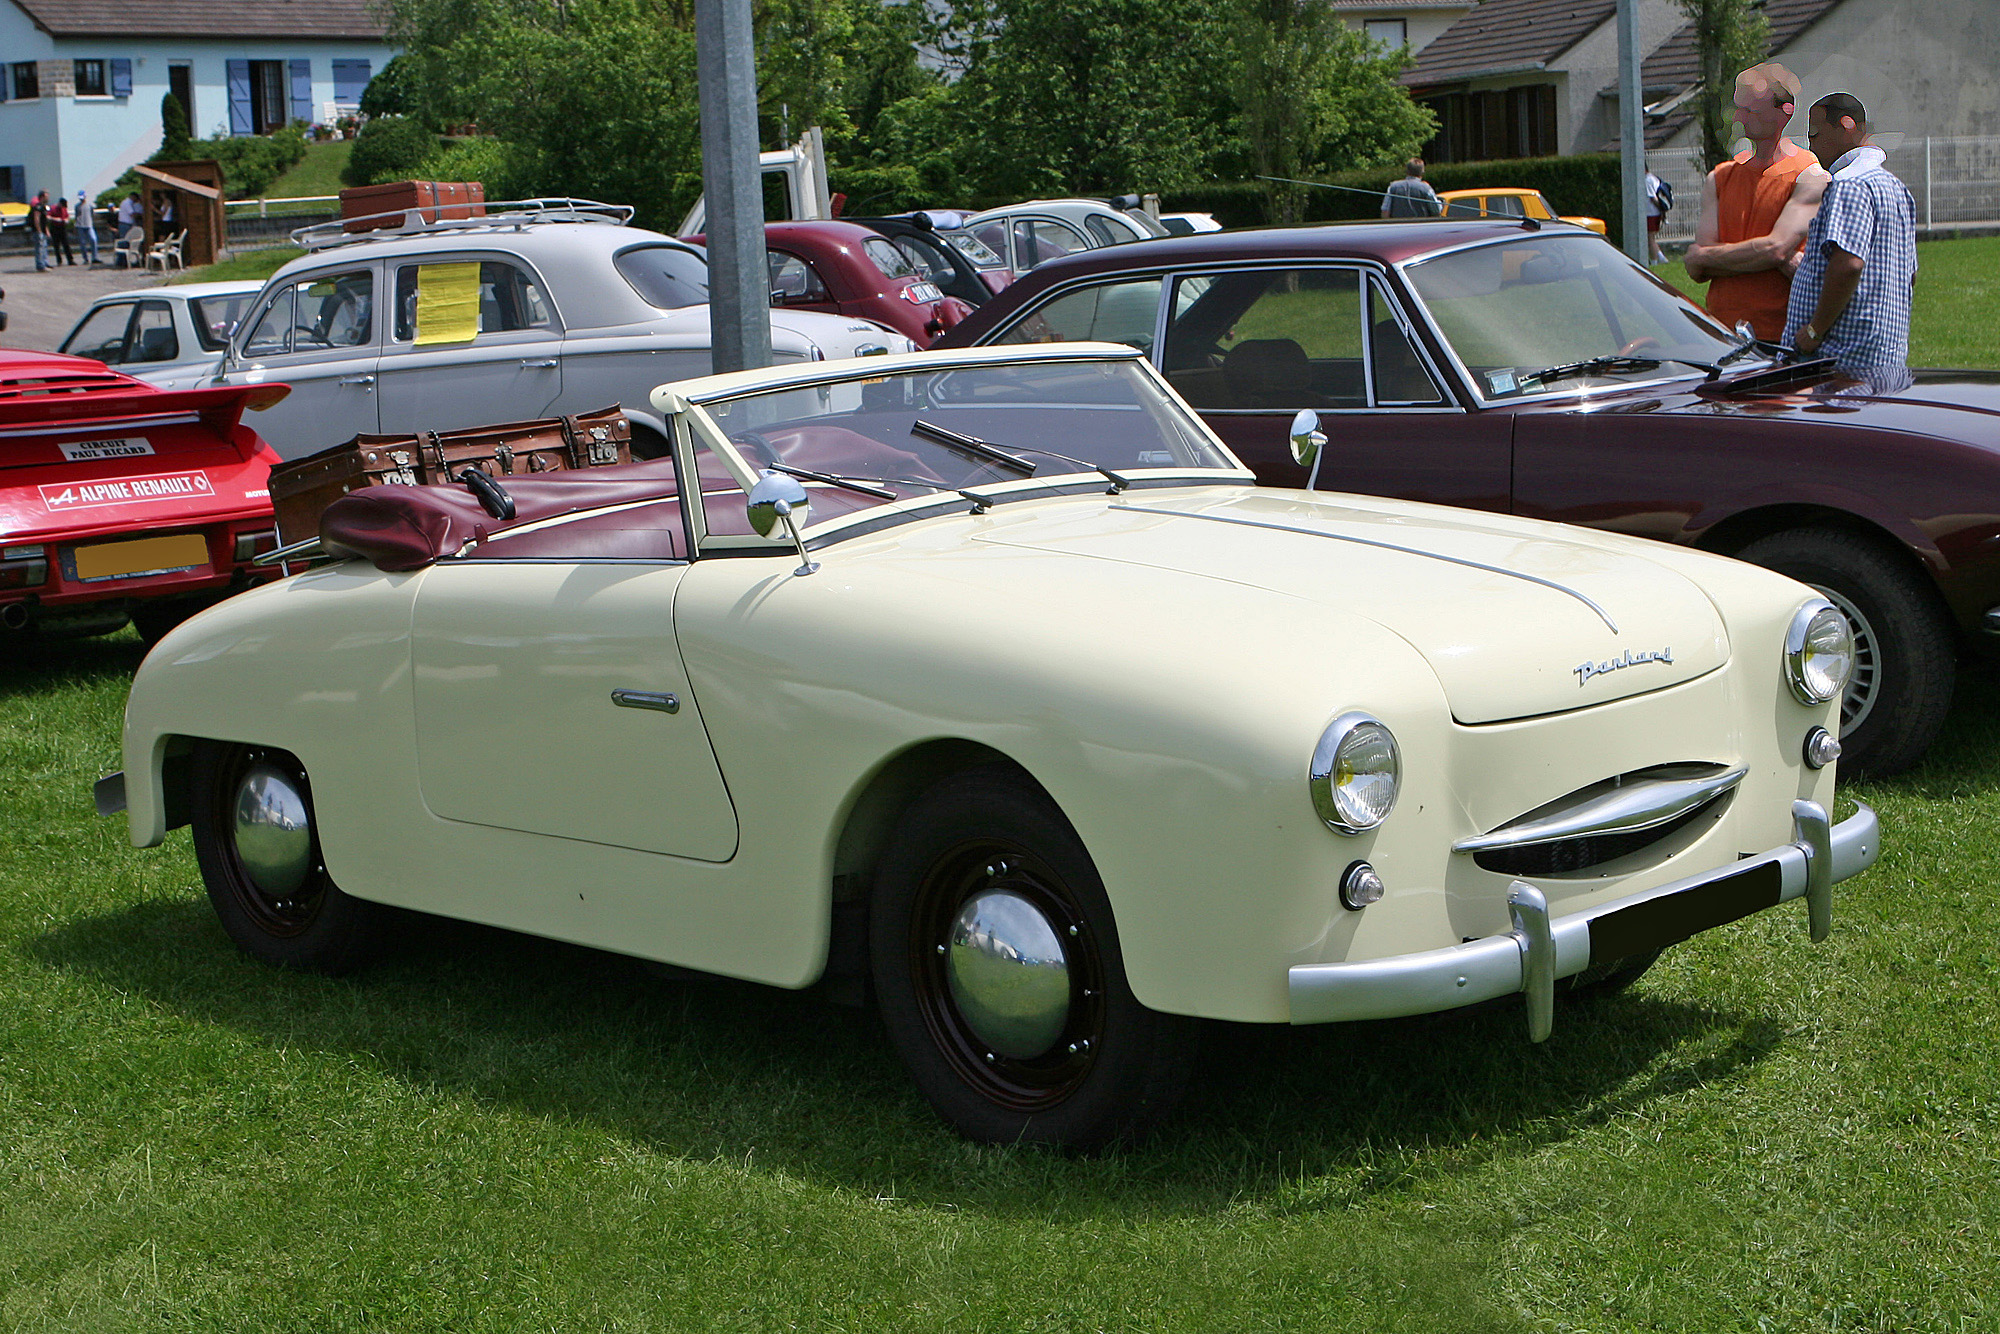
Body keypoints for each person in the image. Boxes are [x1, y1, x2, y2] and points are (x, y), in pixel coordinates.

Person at [1683, 63, 1828, 340]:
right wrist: (1770, 254)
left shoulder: (1809, 174)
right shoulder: (1721, 177)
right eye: (1738, 108)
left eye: (1750, 110)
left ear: (1784, 113)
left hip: (1781, 337)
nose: (1739, 118)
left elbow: (1774, 250)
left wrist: (1713, 256)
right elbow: (1696, 267)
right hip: (1721, 334)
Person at [1784, 92, 1918, 376]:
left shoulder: (1848, 184)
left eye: (1814, 134)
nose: (1810, 145)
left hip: (1841, 360)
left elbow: (1848, 264)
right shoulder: (1895, 187)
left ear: (1846, 126)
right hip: (1883, 356)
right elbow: (1910, 274)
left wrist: (1814, 331)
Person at [1642, 166, 1669, 264]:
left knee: (1650, 238)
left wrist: (1661, 207)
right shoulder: (1654, 178)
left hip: (1651, 213)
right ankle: (1661, 257)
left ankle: (1654, 261)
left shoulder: (1647, 180)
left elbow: (1653, 197)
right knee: (1651, 237)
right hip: (1655, 213)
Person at [115, 192, 142, 268]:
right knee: (124, 242)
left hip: (126, 224)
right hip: (125, 224)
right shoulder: (127, 203)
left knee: (125, 242)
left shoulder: (126, 202)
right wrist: (141, 214)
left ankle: (122, 261)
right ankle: (122, 261)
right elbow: (132, 214)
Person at [48, 193, 76, 265]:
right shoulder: (53, 208)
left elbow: (67, 216)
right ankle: (59, 261)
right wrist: (56, 219)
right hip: (55, 228)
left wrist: (67, 220)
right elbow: (48, 217)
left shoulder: (64, 209)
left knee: (66, 244)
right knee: (56, 245)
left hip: (62, 227)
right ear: (60, 203)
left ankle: (70, 260)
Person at [28, 190, 50, 271]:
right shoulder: (38, 207)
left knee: (44, 248)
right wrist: (39, 230)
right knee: (40, 249)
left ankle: (45, 263)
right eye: (46, 196)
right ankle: (40, 265)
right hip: (38, 232)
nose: (48, 198)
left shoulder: (44, 206)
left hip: (43, 231)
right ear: (42, 197)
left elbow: (44, 220)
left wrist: (46, 230)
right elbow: (36, 219)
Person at [75, 191, 100, 264]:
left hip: (89, 225)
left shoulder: (90, 205)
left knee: (93, 239)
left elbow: (92, 215)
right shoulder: (77, 206)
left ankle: (95, 257)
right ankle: (85, 259)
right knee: (82, 243)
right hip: (80, 226)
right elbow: (77, 216)